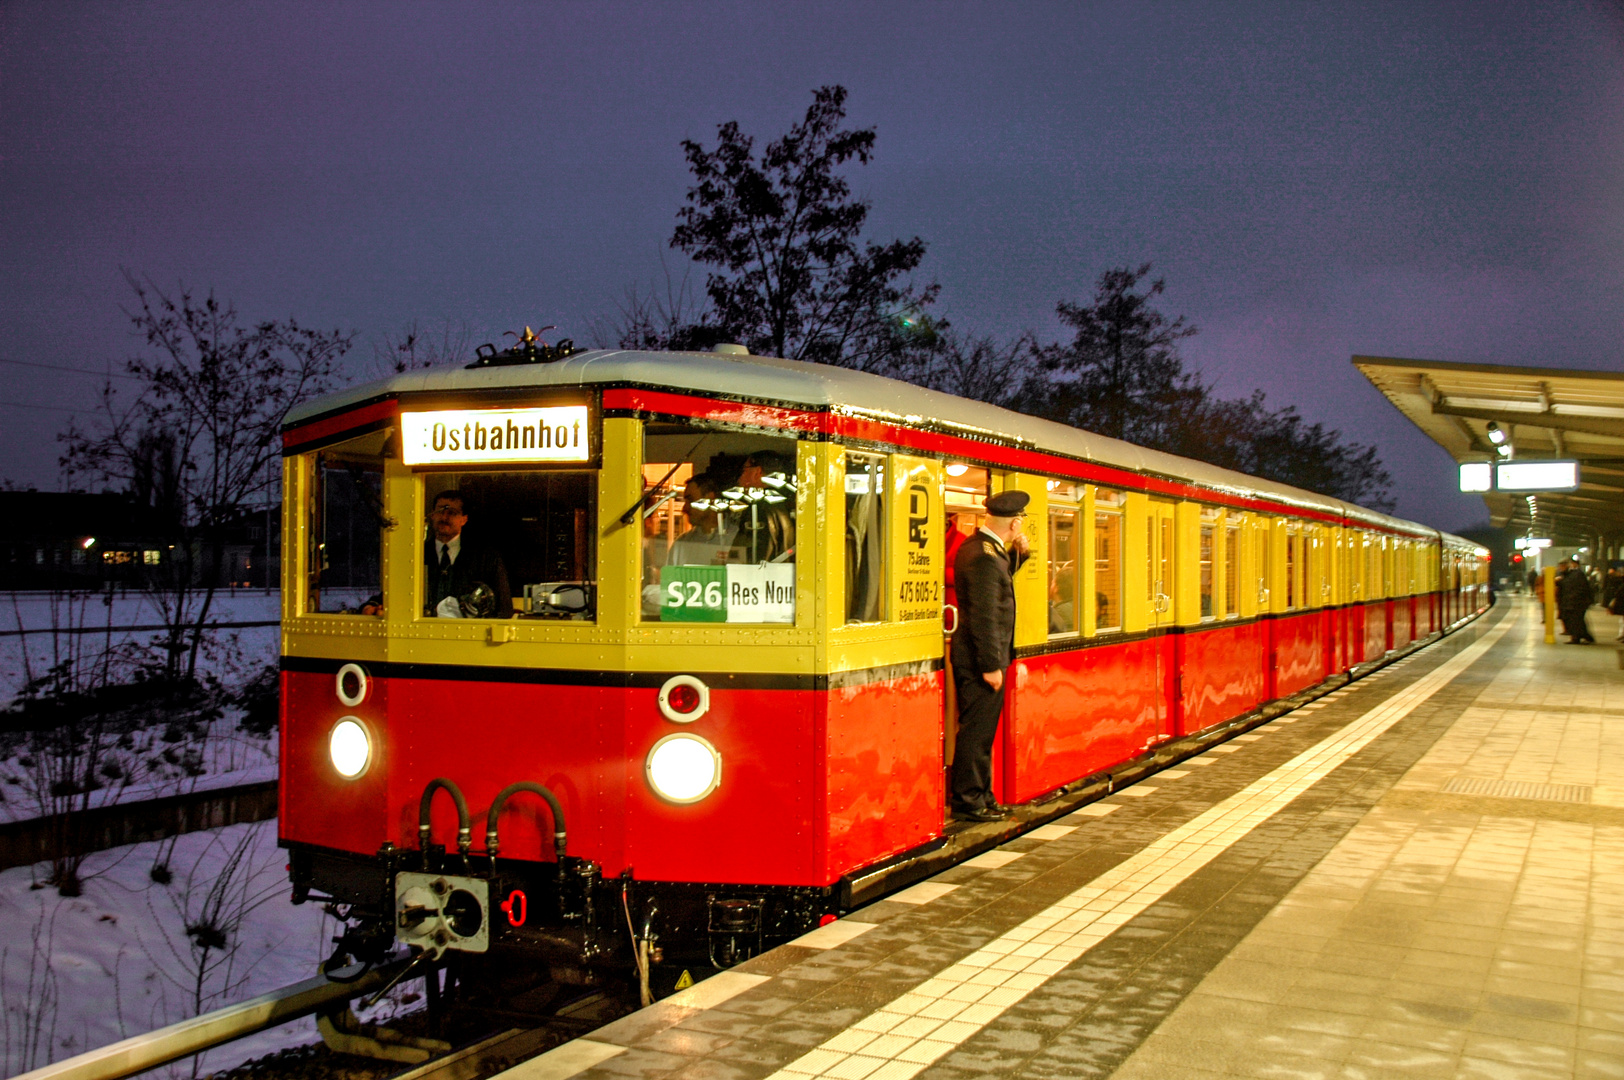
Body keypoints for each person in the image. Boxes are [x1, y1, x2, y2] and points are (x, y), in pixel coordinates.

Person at [949, 490, 1031, 823]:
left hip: (980, 657)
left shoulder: (983, 549)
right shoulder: (982, 555)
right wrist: (990, 665)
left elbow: (999, 580)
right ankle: (969, 802)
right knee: (976, 733)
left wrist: (1020, 555)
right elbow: (984, 614)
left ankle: (982, 795)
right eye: (1020, 521)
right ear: (1014, 523)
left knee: (983, 733)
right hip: (979, 660)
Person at [424, 490, 512, 618]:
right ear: (432, 515)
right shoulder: (417, 555)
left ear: (464, 520)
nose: (444, 517)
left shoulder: (486, 557)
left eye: (452, 513)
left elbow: (504, 608)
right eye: (440, 511)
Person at [1558, 558, 1596, 644]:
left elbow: (1582, 588)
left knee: (1576, 621)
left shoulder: (1577, 574)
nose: (1560, 569)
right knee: (1574, 621)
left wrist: (1573, 597)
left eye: (1562, 567)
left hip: (1577, 603)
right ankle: (1582, 636)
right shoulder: (1567, 575)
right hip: (1570, 602)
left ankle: (1579, 637)